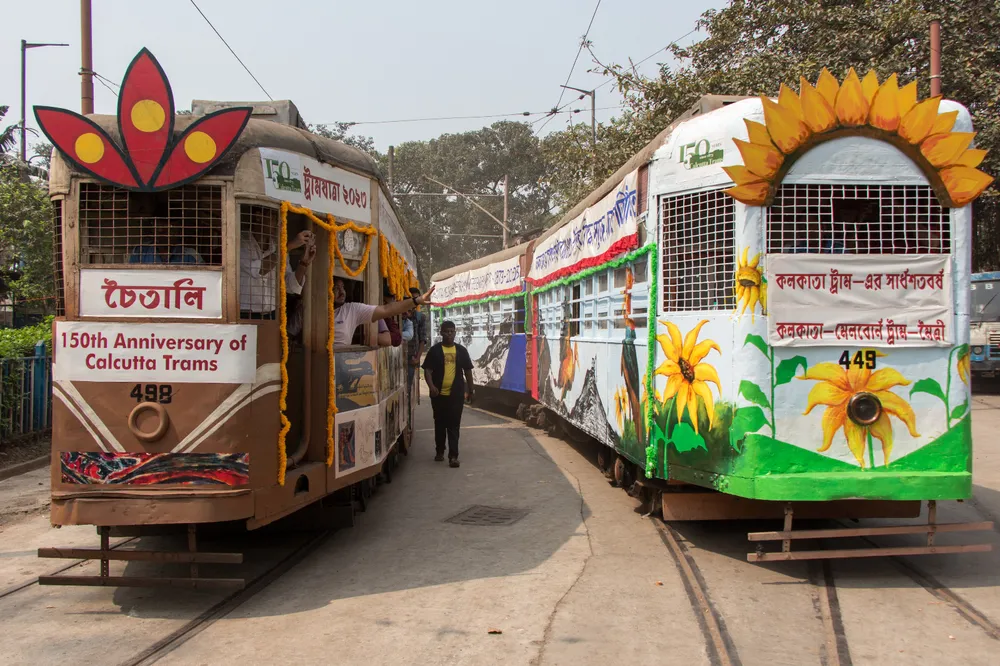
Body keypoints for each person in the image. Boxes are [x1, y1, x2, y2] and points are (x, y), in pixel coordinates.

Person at [422, 320, 474, 468]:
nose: (449, 334)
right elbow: (427, 370)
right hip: (438, 396)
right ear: (441, 333)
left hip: (456, 396)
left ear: (455, 332)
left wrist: (470, 390)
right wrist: (431, 387)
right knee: (439, 424)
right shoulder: (435, 351)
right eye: (446, 332)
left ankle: (453, 456)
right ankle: (439, 451)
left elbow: (468, 372)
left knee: (454, 425)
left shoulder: (461, 351)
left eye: (452, 331)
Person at [333, 278, 434, 349]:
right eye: (336, 288)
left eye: (343, 287)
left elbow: (386, 310)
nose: (342, 292)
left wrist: (417, 301)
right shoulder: (320, 312)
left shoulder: (351, 310)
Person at [240, 223, 314, 319]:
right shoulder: (241, 240)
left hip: (272, 314)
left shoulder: (277, 245)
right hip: (245, 314)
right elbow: (258, 270)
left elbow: (289, 285)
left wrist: (303, 263)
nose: (278, 223)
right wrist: (288, 247)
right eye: (274, 217)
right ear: (259, 216)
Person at [407, 286, 429, 392]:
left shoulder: (420, 317)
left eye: (416, 300)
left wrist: (417, 357)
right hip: (396, 358)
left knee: (408, 387)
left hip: (411, 358)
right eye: (412, 300)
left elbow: (422, 339)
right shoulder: (400, 314)